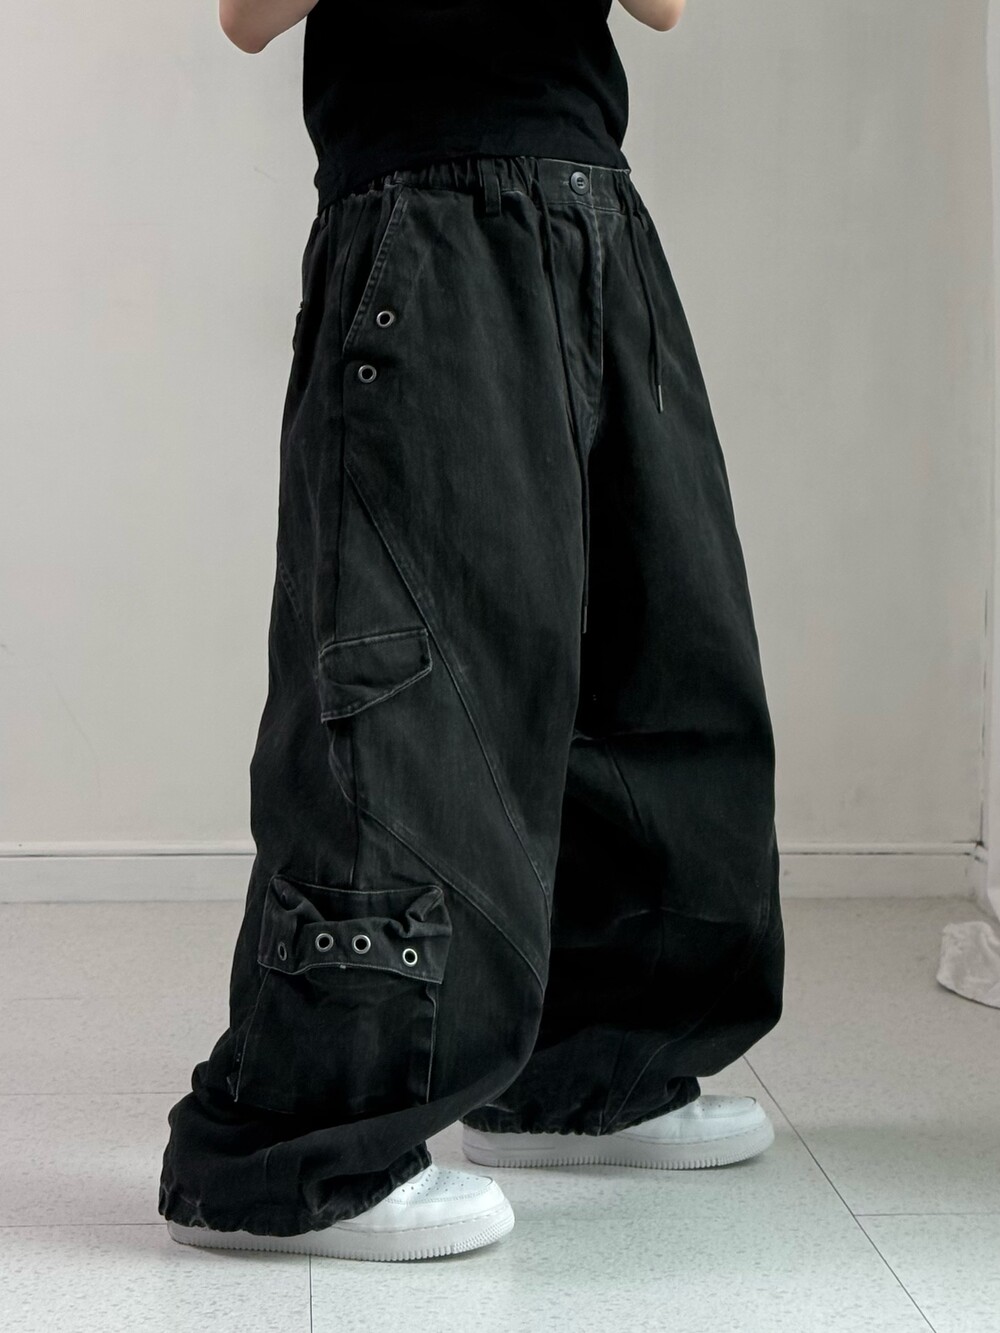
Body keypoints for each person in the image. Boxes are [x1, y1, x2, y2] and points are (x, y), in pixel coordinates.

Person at [158, 0, 785, 1263]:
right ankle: (299, 1150)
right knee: (409, 683)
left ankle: (586, 1073)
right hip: (424, 222)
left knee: (653, 661)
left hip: (593, 217)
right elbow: (246, 16)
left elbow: (662, 4)